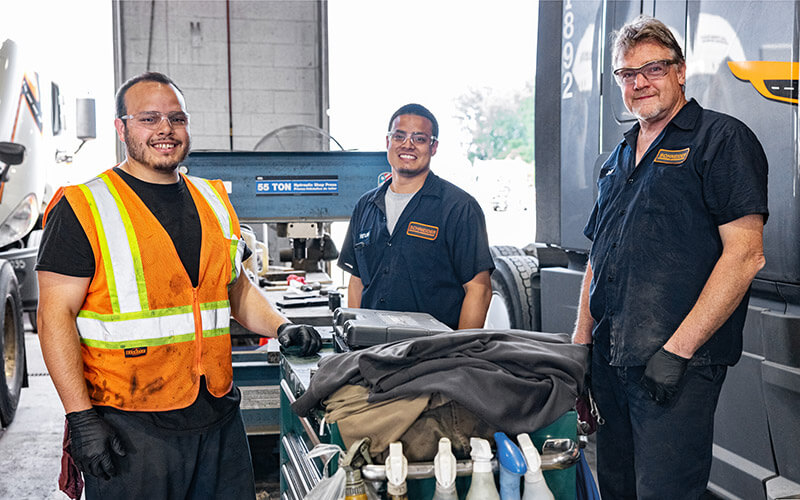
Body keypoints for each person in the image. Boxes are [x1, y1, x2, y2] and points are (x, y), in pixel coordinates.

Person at [35, 71, 322, 499]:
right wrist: (80, 417)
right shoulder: (83, 207)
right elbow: (53, 315)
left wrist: (280, 325)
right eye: (149, 118)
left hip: (217, 416)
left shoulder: (214, 200)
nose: (165, 130)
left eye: (177, 118)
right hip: (129, 426)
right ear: (122, 127)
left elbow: (234, 286)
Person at [572, 16, 768, 499]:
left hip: (675, 369)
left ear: (681, 71)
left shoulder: (720, 140)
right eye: (626, 74)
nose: (639, 83)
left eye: (653, 68)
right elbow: (598, 257)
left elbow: (745, 256)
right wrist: (580, 350)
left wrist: (677, 351)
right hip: (612, 362)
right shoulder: (615, 160)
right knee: (616, 488)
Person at [338, 103, 494, 330]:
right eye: (399, 136)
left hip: (433, 355)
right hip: (375, 352)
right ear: (388, 142)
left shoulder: (459, 208)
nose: (407, 145)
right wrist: (357, 338)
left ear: (434, 147)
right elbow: (357, 281)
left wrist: (459, 352)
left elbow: (479, 289)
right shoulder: (366, 205)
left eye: (419, 139)